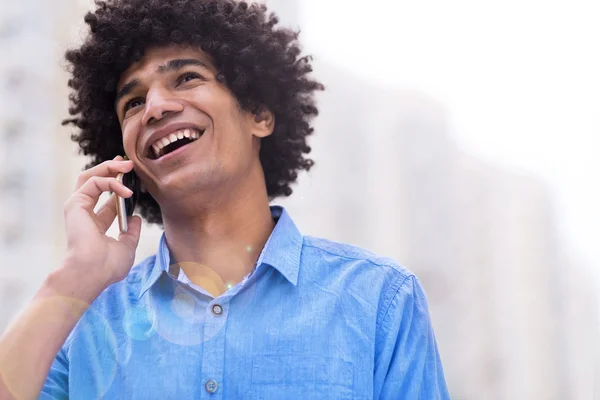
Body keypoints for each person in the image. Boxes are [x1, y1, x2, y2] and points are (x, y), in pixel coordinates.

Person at [0, 0, 450, 398]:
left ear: (259, 115)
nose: (155, 106)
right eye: (132, 103)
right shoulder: (84, 328)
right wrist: (74, 277)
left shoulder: (379, 300)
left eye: (186, 77)